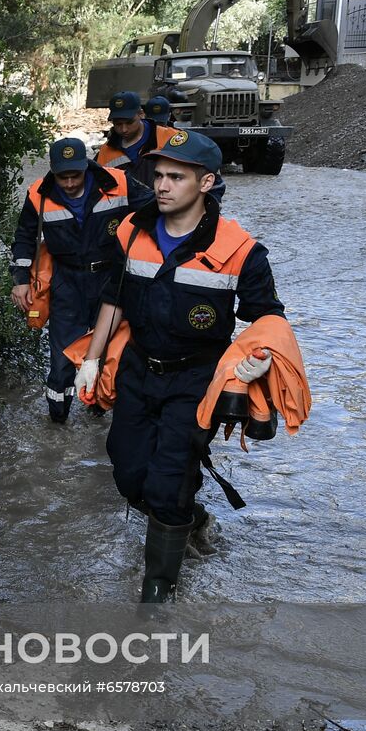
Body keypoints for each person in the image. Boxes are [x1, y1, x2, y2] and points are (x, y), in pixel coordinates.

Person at [75, 129, 283, 602]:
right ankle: (192, 517)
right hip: (136, 371)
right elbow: (114, 298)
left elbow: (267, 316)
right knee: (129, 475)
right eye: (159, 175)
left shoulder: (240, 250)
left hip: (196, 380)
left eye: (176, 177)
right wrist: (91, 361)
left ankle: (157, 594)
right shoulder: (132, 230)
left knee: (167, 482)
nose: (162, 185)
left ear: (206, 182)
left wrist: (258, 360)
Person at [9, 137, 152, 422]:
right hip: (67, 282)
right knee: (62, 357)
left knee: (112, 352)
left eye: (76, 175)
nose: (71, 183)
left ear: (86, 166)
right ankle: (57, 421)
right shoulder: (39, 193)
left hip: (111, 280)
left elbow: (154, 211)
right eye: (64, 177)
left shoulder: (119, 183)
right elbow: (24, 237)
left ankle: (101, 408)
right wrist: (20, 279)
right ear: (53, 171)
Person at [96, 91, 177, 192]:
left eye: (129, 122)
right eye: (118, 124)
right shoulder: (106, 151)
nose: (124, 129)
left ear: (141, 114)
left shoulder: (170, 137)